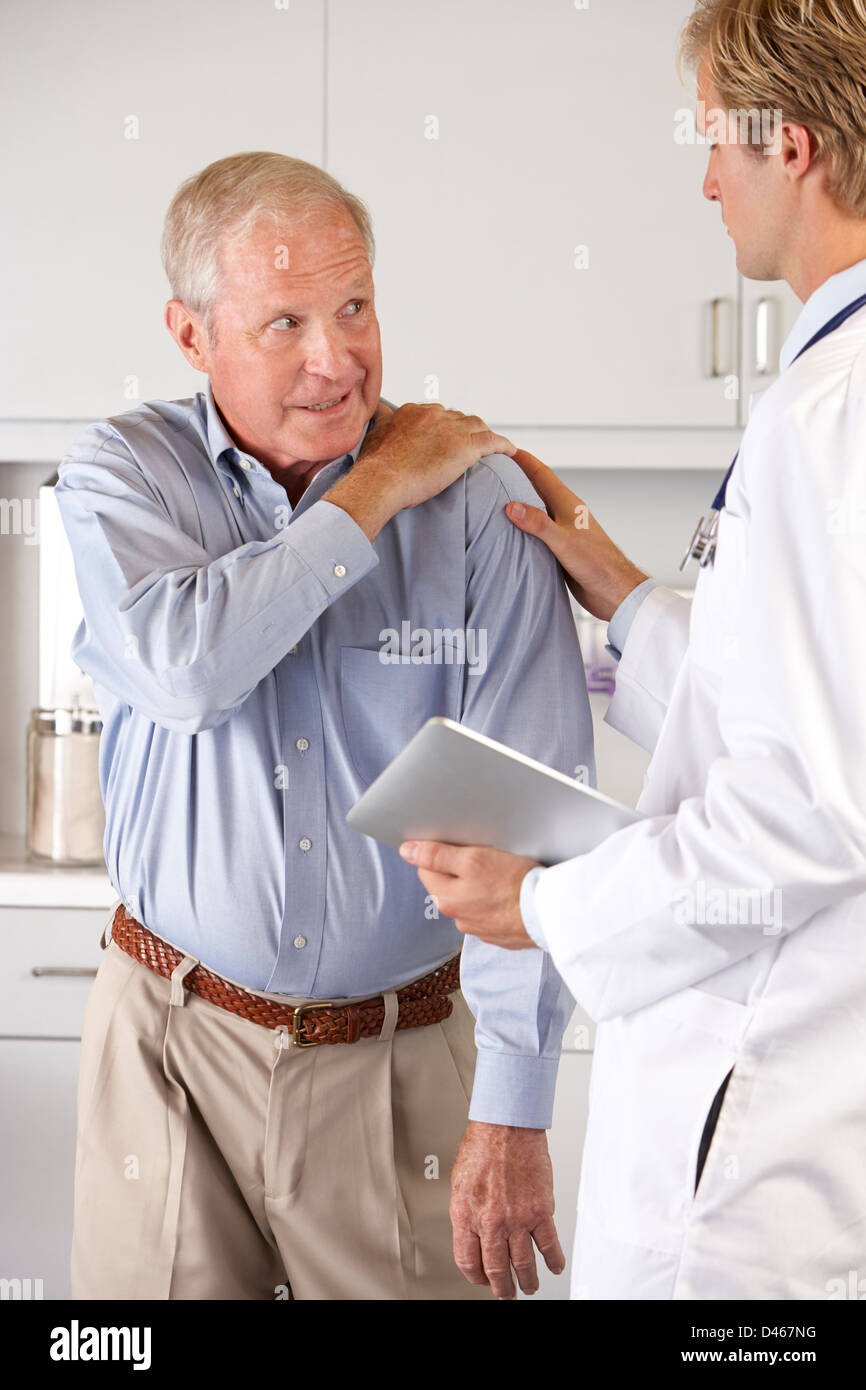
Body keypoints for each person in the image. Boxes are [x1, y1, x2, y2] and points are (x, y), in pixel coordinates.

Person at [56, 151, 593, 1300]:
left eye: (354, 307)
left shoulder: (476, 503)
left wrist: (514, 1106)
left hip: (398, 1063)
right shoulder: (122, 475)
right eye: (285, 320)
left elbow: (527, 816)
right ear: (191, 335)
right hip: (166, 1043)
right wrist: (372, 493)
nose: (334, 357)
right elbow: (188, 671)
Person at [398, 0, 866, 1299]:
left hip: (764, 1144)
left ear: (799, 147)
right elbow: (793, 705)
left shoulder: (828, 419)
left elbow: (809, 812)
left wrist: (538, 903)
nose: (705, 174)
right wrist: (620, 598)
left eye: (721, 140)